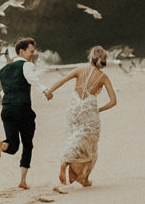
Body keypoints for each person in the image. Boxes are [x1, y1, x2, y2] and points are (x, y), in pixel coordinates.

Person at [43, 45, 117, 187]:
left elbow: (62, 80)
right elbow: (113, 101)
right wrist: (98, 110)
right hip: (89, 110)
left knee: (74, 137)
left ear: (90, 57)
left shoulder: (79, 69)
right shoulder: (103, 77)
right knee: (90, 145)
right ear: (104, 60)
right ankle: (81, 175)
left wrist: (49, 92)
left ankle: (72, 169)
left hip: (73, 108)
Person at [0, 37, 44, 189]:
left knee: (13, 145)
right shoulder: (27, 65)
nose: (33, 54)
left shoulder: (2, 70)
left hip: (7, 110)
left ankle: (2, 145)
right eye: (31, 51)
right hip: (23, 109)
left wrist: (4, 105)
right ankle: (22, 181)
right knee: (27, 144)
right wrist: (44, 90)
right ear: (22, 51)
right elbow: (32, 78)